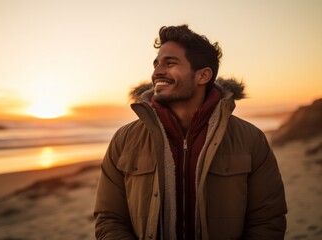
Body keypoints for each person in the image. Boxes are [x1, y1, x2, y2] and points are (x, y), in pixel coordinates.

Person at [94, 24, 287, 240]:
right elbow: (109, 219)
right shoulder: (124, 140)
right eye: (156, 63)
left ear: (203, 76)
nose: (157, 72)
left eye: (170, 63)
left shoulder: (250, 139)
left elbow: (268, 220)